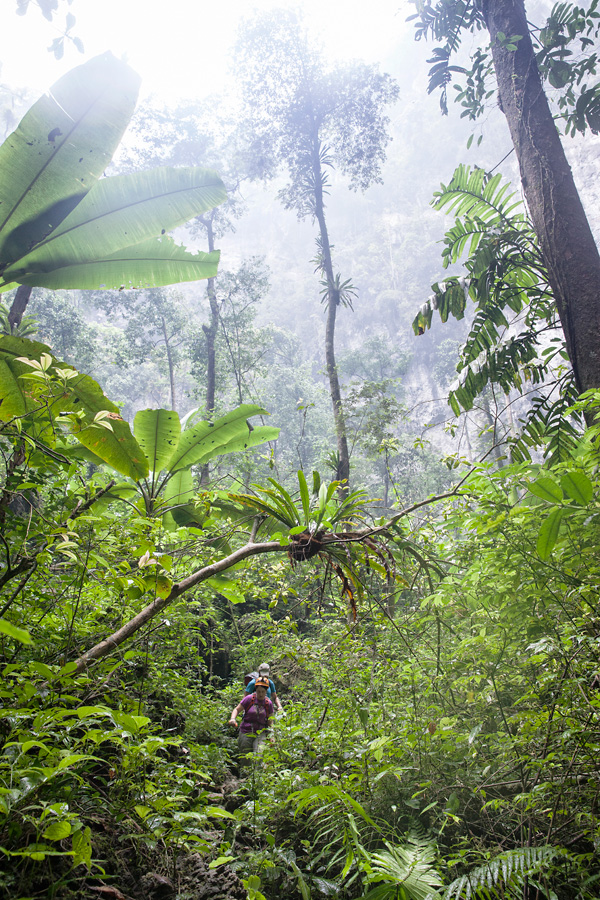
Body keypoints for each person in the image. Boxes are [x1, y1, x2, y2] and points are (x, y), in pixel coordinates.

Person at [229, 676, 274, 755]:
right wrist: (233, 718)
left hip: (261, 733)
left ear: (266, 691)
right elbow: (237, 709)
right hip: (246, 731)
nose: (260, 694)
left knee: (260, 756)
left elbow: (270, 722)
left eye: (263, 692)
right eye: (258, 691)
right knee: (245, 757)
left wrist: (271, 735)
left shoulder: (268, 703)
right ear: (255, 690)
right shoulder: (249, 699)